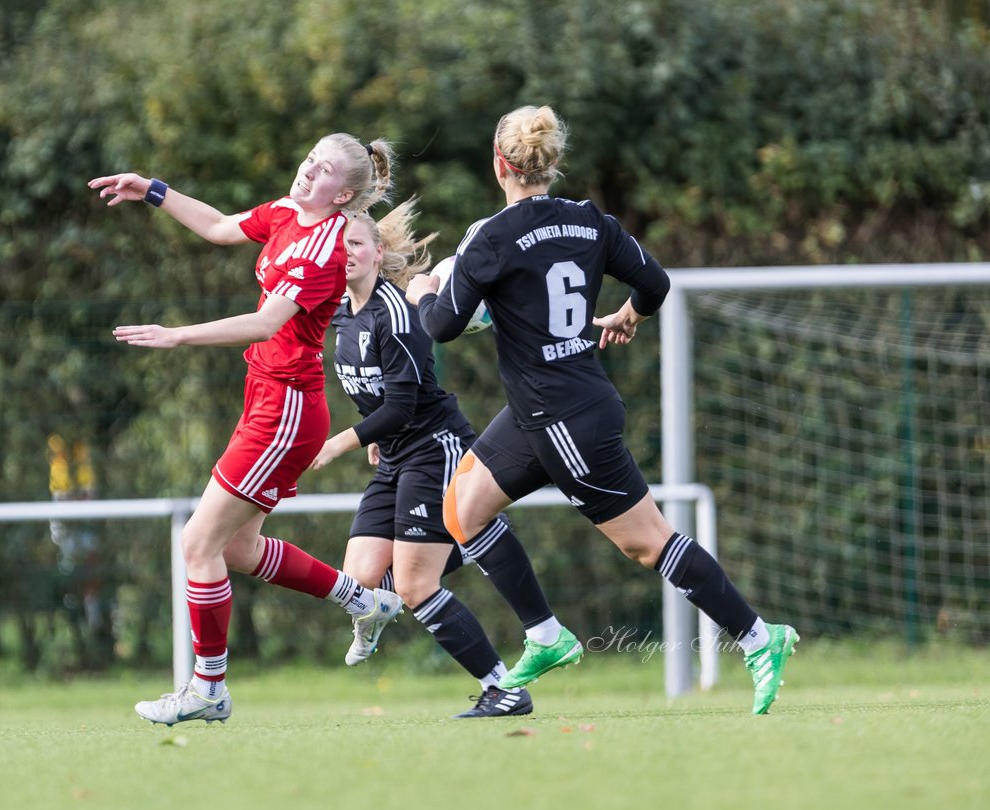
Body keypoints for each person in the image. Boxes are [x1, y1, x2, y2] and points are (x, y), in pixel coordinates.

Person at [405, 106, 799, 715]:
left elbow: (444, 328)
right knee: (463, 507)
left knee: (647, 543)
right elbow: (656, 284)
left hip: (566, 422)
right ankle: (545, 636)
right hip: (544, 411)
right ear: (552, 164)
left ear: (499, 165)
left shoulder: (489, 237)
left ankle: (758, 636)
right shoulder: (591, 222)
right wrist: (628, 315)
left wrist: (426, 291)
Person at [89, 134, 404, 726]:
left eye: (326, 171)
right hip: (268, 401)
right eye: (309, 158)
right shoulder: (288, 213)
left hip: (285, 411)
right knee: (235, 548)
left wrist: (177, 334)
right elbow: (216, 227)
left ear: (349, 194)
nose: (309, 172)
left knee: (198, 545)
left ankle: (209, 688)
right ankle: (365, 600)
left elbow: (266, 323)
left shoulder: (324, 247)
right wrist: (151, 191)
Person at [310, 200, 533, 718]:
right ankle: (465, 541)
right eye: (338, 246)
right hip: (393, 454)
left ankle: (504, 689)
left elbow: (405, 404)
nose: (346, 254)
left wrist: (342, 440)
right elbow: (376, 393)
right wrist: (372, 430)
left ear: (377, 253)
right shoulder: (341, 312)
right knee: (361, 584)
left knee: (413, 585)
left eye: (356, 245)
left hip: (434, 448)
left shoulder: (396, 312)